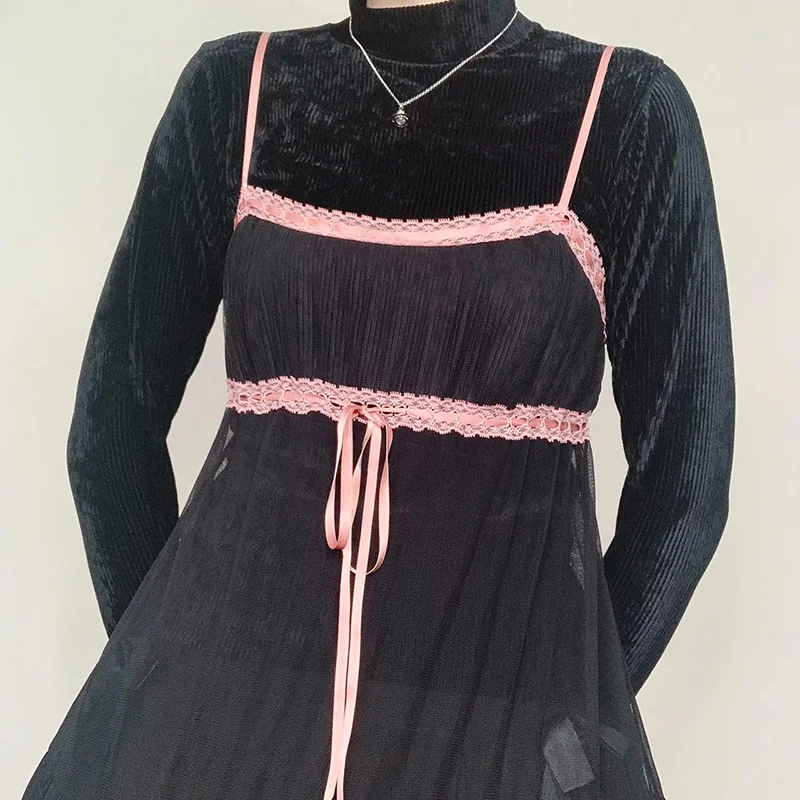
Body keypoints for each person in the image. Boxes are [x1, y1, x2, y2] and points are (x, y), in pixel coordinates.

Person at [23, 1, 735, 798]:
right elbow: (111, 428)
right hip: (239, 726)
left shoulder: (623, 108)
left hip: (487, 735)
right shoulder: (236, 89)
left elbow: (686, 483)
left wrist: (565, 716)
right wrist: (168, 683)